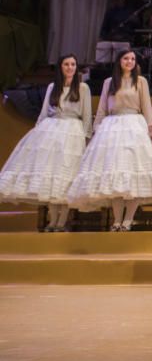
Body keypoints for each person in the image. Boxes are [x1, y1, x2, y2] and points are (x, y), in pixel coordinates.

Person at [66, 49, 152, 232]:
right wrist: (96, 131)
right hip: (112, 129)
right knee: (116, 176)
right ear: (119, 61)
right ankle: (117, 220)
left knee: (135, 176)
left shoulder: (140, 81)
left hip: (135, 127)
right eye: (126, 58)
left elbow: (147, 108)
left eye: (132, 59)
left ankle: (128, 220)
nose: (130, 61)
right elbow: (102, 109)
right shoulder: (109, 82)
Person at [0, 55, 92, 231]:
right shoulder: (53, 87)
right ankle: (52, 220)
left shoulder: (83, 88)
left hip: (72, 131)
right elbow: (43, 113)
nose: (70, 67)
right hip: (52, 130)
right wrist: (37, 132)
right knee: (51, 176)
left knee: (66, 176)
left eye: (73, 64)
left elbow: (87, 116)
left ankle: (62, 221)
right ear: (60, 67)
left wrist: (86, 138)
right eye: (66, 64)